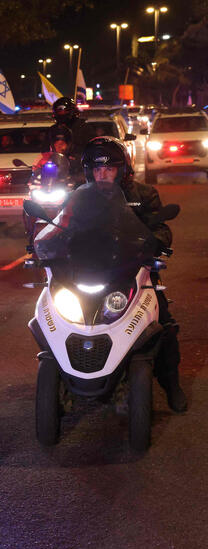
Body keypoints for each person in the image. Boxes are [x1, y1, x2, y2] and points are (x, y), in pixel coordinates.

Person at [81, 136, 186, 412]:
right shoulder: (79, 197)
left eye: (108, 168)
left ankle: (172, 384)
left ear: (122, 169)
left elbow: (162, 227)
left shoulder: (143, 194)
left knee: (163, 324)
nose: (102, 174)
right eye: (96, 169)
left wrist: (154, 242)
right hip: (91, 272)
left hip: (134, 269)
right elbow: (62, 226)